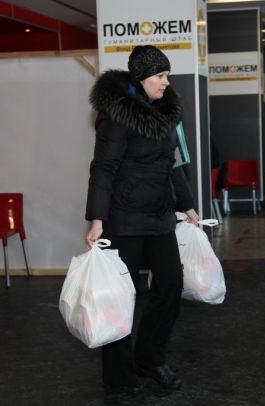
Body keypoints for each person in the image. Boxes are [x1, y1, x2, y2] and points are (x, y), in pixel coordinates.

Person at [85, 45, 199, 392]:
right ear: (142, 77)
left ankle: (149, 357)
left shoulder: (164, 112)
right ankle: (118, 375)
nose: (167, 82)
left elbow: (171, 163)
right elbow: (103, 168)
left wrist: (187, 204)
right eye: (161, 75)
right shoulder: (117, 115)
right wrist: (97, 218)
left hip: (160, 217)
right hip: (124, 220)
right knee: (122, 299)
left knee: (171, 286)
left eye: (167, 75)